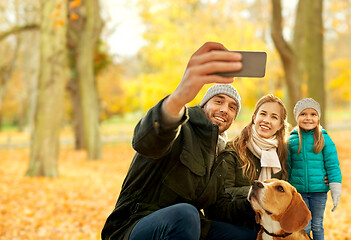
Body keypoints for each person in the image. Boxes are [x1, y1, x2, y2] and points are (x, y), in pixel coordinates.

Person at [101, 42, 257, 240]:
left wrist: (260, 200)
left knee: (251, 237)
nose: (225, 109)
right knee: (185, 214)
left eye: (232, 107)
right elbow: (146, 141)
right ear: (203, 105)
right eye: (218, 101)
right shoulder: (180, 126)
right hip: (134, 225)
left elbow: (218, 208)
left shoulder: (221, 154)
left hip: (189, 228)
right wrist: (178, 98)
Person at [218, 94, 288, 230]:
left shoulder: (283, 154)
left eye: (274, 117)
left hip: (272, 226)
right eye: (263, 114)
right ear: (254, 117)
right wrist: (258, 193)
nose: (267, 120)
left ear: (280, 125)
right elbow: (222, 196)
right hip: (237, 225)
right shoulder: (232, 150)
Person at [287, 98, 342, 240]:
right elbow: (287, 166)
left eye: (313, 114)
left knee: (317, 225)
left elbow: (332, 165)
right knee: (304, 225)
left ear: (318, 118)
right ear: (297, 117)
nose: (308, 118)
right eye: (303, 114)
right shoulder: (292, 140)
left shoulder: (324, 139)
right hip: (299, 193)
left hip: (319, 192)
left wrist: (335, 188)